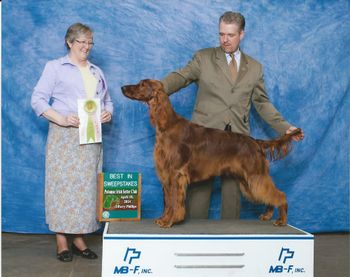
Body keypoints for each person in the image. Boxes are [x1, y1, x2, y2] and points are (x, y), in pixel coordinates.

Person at [161, 11, 304, 220]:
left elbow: (262, 103)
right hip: (204, 139)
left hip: (237, 139)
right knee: (199, 197)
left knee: (233, 196)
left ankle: (230, 238)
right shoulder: (203, 57)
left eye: (230, 35)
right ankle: (195, 240)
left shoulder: (255, 67)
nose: (224, 40)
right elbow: (180, 77)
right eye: (221, 34)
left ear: (242, 35)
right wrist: (157, 89)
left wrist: (285, 127)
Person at [31, 23, 113, 262]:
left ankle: (78, 238)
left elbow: (107, 101)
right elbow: (37, 99)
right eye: (81, 42)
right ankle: (61, 241)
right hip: (64, 136)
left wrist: (107, 112)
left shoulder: (96, 71)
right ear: (69, 42)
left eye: (89, 42)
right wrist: (62, 118)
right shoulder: (55, 67)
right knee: (61, 187)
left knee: (85, 188)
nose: (86, 46)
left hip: (91, 136)